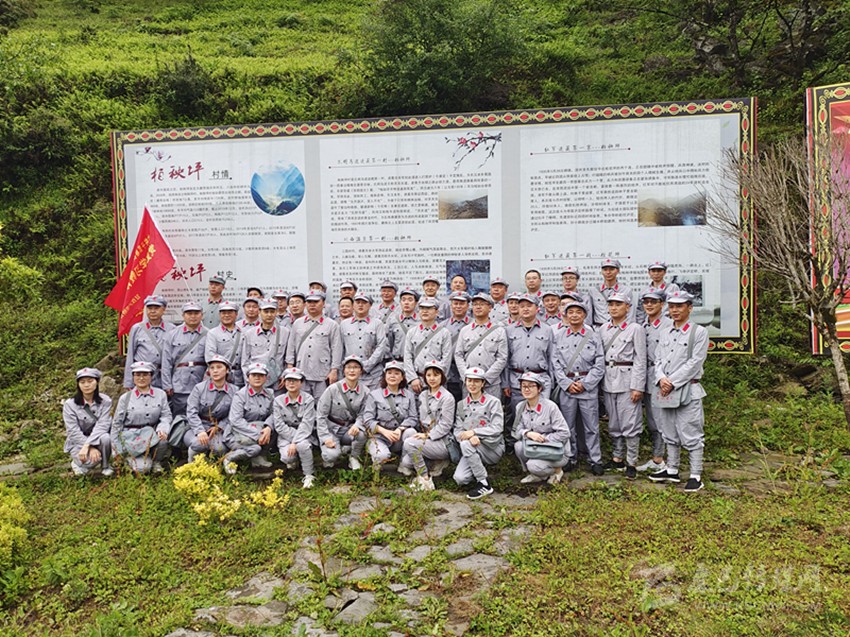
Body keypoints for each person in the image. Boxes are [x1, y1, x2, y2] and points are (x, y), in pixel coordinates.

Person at [648, 291, 709, 493]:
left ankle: (695, 475)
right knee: (669, 431)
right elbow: (657, 360)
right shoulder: (665, 332)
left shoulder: (698, 332)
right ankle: (672, 469)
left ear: (689, 308)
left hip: (688, 389)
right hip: (665, 390)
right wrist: (661, 378)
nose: (675, 310)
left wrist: (672, 381)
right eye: (672, 306)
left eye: (679, 306)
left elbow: (695, 362)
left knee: (691, 432)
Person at [551, 300, 605, 475]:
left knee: (591, 427)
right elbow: (555, 363)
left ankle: (595, 459)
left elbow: (599, 363)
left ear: (584, 315)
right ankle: (570, 457)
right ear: (565, 315)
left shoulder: (593, 336)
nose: (574, 315)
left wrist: (585, 384)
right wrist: (566, 384)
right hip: (567, 387)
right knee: (568, 426)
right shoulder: (558, 336)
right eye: (571, 312)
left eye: (578, 312)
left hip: (587, 387)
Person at [600, 292, 646, 480]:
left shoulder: (635, 328)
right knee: (614, 423)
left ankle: (631, 462)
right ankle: (617, 458)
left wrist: (638, 386)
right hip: (608, 380)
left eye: (618, 304)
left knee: (630, 423)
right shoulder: (603, 328)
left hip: (627, 380)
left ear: (627, 307)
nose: (614, 308)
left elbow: (640, 359)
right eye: (611, 304)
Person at [403, 360, 456, 491]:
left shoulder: (447, 397)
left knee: (410, 444)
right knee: (406, 461)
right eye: (429, 375)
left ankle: (424, 479)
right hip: (426, 438)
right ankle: (433, 463)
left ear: (442, 377)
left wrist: (427, 435)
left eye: (436, 375)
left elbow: (446, 425)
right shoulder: (423, 395)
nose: (432, 378)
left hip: (442, 441)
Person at [112, 361, 172, 474]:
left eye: (145, 374)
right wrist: (116, 449)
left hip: (151, 436)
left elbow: (166, 415)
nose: (141, 378)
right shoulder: (125, 398)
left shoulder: (160, 394)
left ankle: (156, 461)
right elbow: (117, 423)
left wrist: (162, 429)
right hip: (132, 439)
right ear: (133, 377)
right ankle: (130, 459)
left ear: (151, 376)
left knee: (163, 441)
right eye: (137, 375)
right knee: (143, 469)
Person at [453, 367, 505, 500]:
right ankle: (478, 466)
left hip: (492, 448)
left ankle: (484, 483)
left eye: (476, 381)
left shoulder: (493, 402)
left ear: (483, 383)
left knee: (466, 444)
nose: (472, 384)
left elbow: (498, 427)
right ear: (465, 382)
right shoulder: (461, 405)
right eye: (469, 381)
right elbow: (457, 431)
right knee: (460, 478)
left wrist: (474, 433)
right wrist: (467, 438)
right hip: (471, 448)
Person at [512, 372, 571, 485]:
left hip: (556, 451)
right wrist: (528, 433)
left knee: (533, 465)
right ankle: (537, 474)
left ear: (539, 389)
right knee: (518, 446)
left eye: (531, 386)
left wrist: (542, 438)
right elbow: (516, 431)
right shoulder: (520, 407)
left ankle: (557, 471)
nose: (527, 389)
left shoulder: (550, 407)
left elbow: (564, 433)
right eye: (524, 386)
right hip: (535, 447)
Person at [316, 355, 373, 470]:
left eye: (356, 367)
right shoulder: (332, 389)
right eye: (349, 367)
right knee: (331, 455)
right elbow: (321, 415)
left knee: (361, 434)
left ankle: (354, 457)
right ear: (344, 371)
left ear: (361, 371)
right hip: (332, 428)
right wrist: (325, 437)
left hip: (349, 429)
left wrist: (357, 425)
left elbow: (364, 413)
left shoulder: (366, 392)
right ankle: (329, 456)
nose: (352, 370)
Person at [637, 290, 672, 473]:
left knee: (662, 420)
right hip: (645, 374)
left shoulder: (668, 325)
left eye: (653, 301)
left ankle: (665, 460)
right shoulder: (643, 325)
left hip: (661, 376)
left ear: (662, 304)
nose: (649, 305)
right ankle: (657, 458)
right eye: (646, 302)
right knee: (652, 420)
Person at [285, 291, 343, 400]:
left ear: (323, 303)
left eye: (316, 302)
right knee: (301, 402)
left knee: (322, 402)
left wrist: (334, 370)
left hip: (322, 373)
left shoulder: (332, 325)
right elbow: (291, 345)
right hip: (301, 370)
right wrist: (289, 365)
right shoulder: (298, 323)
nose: (312, 305)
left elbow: (336, 349)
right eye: (309, 302)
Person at [503, 294, 554, 414]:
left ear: (537, 308)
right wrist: (505, 383)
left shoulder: (547, 330)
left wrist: (552, 382)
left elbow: (551, 357)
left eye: (529, 306)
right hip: (517, 381)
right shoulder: (509, 330)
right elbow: (506, 358)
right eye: (522, 306)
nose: (525, 309)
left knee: (541, 415)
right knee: (518, 416)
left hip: (540, 380)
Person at [223, 362, 274, 474]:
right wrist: (257, 434)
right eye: (254, 375)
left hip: (258, 430)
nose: (257, 378)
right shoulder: (240, 395)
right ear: (248, 377)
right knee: (255, 448)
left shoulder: (269, 394)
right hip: (236, 433)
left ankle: (259, 458)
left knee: (274, 429)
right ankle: (229, 458)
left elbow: (274, 414)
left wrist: (268, 427)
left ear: (266, 378)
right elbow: (235, 420)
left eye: (261, 375)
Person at [365, 361, 418, 468]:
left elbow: (413, 418)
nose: (392, 376)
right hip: (379, 437)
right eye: (389, 373)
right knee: (382, 456)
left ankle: (403, 464)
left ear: (402, 377)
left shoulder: (409, 395)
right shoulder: (374, 395)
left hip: (398, 437)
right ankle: (377, 464)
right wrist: (384, 431)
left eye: (397, 373)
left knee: (411, 432)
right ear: (385, 376)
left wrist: (400, 429)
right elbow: (368, 420)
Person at [454, 292, 508, 398]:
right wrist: (467, 376)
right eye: (475, 304)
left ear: (490, 307)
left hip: (490, 384)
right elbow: (458, 355)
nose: (478, 307)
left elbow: (502, 358)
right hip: (469, 384)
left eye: (482, 304)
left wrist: (486, 378)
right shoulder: (465, 330)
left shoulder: (499, 331)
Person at [161, 301, 208, 417]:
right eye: (189, 313)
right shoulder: (172, 335)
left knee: (200, 415)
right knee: (180, 417)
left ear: (201, 315)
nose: (193, 316)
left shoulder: (209, 334)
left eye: (196, 313)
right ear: (183, 315)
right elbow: (166, 362)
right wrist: (167, 385)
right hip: (179, 383)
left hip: (200, 381)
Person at [63, 367, 113, 477]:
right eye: (82, 382)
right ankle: (77, 464)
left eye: (90, 381)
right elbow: (73, 431)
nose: (86, 385)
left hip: (97, 436)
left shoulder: (105, 401)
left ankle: (105, 465)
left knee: (106, 437)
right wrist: (89, 448)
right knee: (90, 461)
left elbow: (103, 425)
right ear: (78, 385)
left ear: (97, 382)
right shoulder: (70, 405)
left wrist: (88, 445)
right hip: (78, 441)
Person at [184, 355, 235, 461]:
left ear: (227, 370)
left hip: (218, 428)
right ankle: (192, 462)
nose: (215, 371)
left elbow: (234, 414)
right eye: (212, 368)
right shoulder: (199, 388)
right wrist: (200, 431)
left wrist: (220, 426)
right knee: (200, 444)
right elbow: (191, 412)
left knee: (220, 449)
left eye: (219, 367)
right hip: (197, 426)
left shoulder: (234, 391)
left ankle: (210, 463)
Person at [273, 367, 317, 488]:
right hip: (285, 436)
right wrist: (293, 441)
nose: (291, 383)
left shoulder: (308, 399)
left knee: (302, 445)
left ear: (301, 382)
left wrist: (295, 442)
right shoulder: (278, 401)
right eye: (288, 380)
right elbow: (279, 425)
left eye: (295, 380)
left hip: (304, 434)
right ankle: (294, 460)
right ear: (284, 382)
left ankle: (309, 475)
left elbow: (307, 424)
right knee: (287, 457)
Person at [123, 295, 174, 389]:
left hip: (162, 376)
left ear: (163, 310)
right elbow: (130, 355)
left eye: (156, 308)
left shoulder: (171, 329)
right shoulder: (137, 328)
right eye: (150, 308)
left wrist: (169, 384)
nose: (153, 311)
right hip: (142, 376)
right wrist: (128, 382)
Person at [403, 298, 453, 394]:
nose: (425, 311)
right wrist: (413, 378)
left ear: (437, 312)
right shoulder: (412, 332)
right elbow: (408, 356)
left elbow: (446, 359)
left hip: (436, 382)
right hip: (417, 382)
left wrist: (438, 379)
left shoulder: (444, 333)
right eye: (422, 308)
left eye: (429, 308)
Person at [339, 293, 388, 389]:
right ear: (353, 305)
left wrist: (366, 366)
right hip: (351, 373)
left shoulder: (377, 323)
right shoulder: (344, 324)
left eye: (364, 303)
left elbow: (381, 347)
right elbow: (340, 348)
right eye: (358, 302)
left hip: (373, 374)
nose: (360, 305)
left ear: (370, 305)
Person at [241, 299, 289, 394]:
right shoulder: (249, 334)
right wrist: (248, 380)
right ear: (259, 312)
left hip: (277, 383)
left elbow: (288, 358)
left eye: (272, 311)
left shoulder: (285, 332)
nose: (269, 315)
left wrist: (285, 375)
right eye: (266, 311)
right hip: (255, 382)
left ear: (276, 312)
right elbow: (245, 360)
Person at [205, 301, 245, 387]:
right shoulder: (213, 333)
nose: (226, 315)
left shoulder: (243, 333)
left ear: (236, 314)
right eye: (223, 313)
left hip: (240, 377)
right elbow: (210, 356)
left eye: (230, 312)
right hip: (221, 378)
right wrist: (223, 371)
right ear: (219, 315)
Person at [441, 291, 471, 402]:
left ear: (468, 306)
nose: (458, 306)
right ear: (451, 305)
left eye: (462, 303)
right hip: (449, 371)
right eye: (455, 303)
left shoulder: (473, 324)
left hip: (468, 369)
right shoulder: (442, 326)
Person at [589, 258, 635, 327]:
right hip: (598, 328)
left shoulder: (626, 290)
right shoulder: (593, 291)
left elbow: (630, 314)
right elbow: (589, 313)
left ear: (618, 271)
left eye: (611, 269)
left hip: (619, 328)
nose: (608, 272)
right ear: (601, 271)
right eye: (605, 270)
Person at [386, 288, 420, 362]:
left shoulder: (421, 321)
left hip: (415, 362)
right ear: (400, 302)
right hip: (398, 362)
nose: (406, 303)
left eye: (410, 300)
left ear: (416, 303)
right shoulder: (393, 320)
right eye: (403, 300)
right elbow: (390, 342)